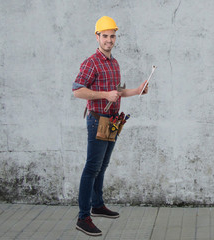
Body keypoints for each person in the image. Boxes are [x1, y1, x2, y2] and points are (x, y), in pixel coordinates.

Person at [72, 16, 148, 236]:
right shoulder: (91, 62)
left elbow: (118, 91)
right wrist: (105, 94)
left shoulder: (114, 63)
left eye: (112, 36)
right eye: (105, 36)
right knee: (91, 168)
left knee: (102, 165)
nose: (109, 40)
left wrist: (137, 91)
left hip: (112, 121)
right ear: (97, 37)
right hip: (97, 120)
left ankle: (97, 205)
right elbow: (77, 90)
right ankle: (83, 217)